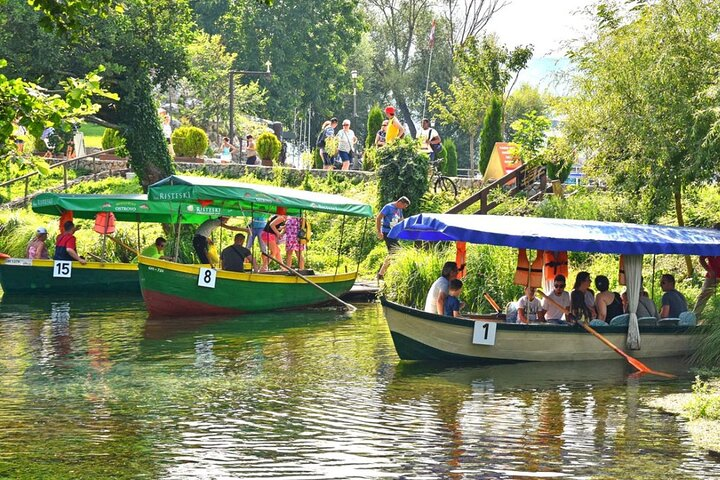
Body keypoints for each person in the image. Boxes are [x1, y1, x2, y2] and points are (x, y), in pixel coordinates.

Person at [376, 196, 411, 280]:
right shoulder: (388, 207)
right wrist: (379, 231)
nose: (404, 208)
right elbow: (378, 218)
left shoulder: (399, 209)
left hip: (394, 233)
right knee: (396, 251)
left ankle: (381, 274)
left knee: (392, 253)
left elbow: (401, 220)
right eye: (404, 206)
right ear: (400, 202)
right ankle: (386, 274)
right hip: (387, 232)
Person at [694, 226, 720, 315]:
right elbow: (701, 259)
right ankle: (696, 315)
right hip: (712, 274)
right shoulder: (710, 245)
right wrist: (709, 270)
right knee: (704, 295)